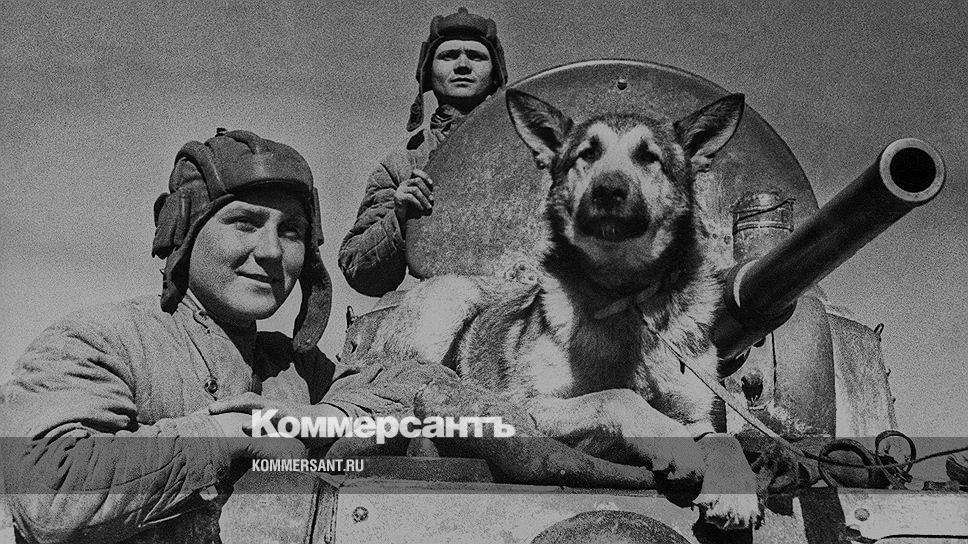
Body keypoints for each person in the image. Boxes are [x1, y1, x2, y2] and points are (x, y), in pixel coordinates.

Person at [0, 130, 381, 544]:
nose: (271, 251)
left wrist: (334, 416)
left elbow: (415, 400)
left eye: (291, 231)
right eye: (245, 223)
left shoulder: (301, 369)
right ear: (185, 229)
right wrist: (228, 435)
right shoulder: (100, 341)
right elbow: (48, 497)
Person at [338, 7, 509, 297]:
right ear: (429, 73)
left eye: (476, 56)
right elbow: (359, 269)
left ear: (495, 74)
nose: (463, 65)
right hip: (441, 301)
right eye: (449, 56)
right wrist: (399, 217)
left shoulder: (530, 149)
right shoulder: (400, 166)